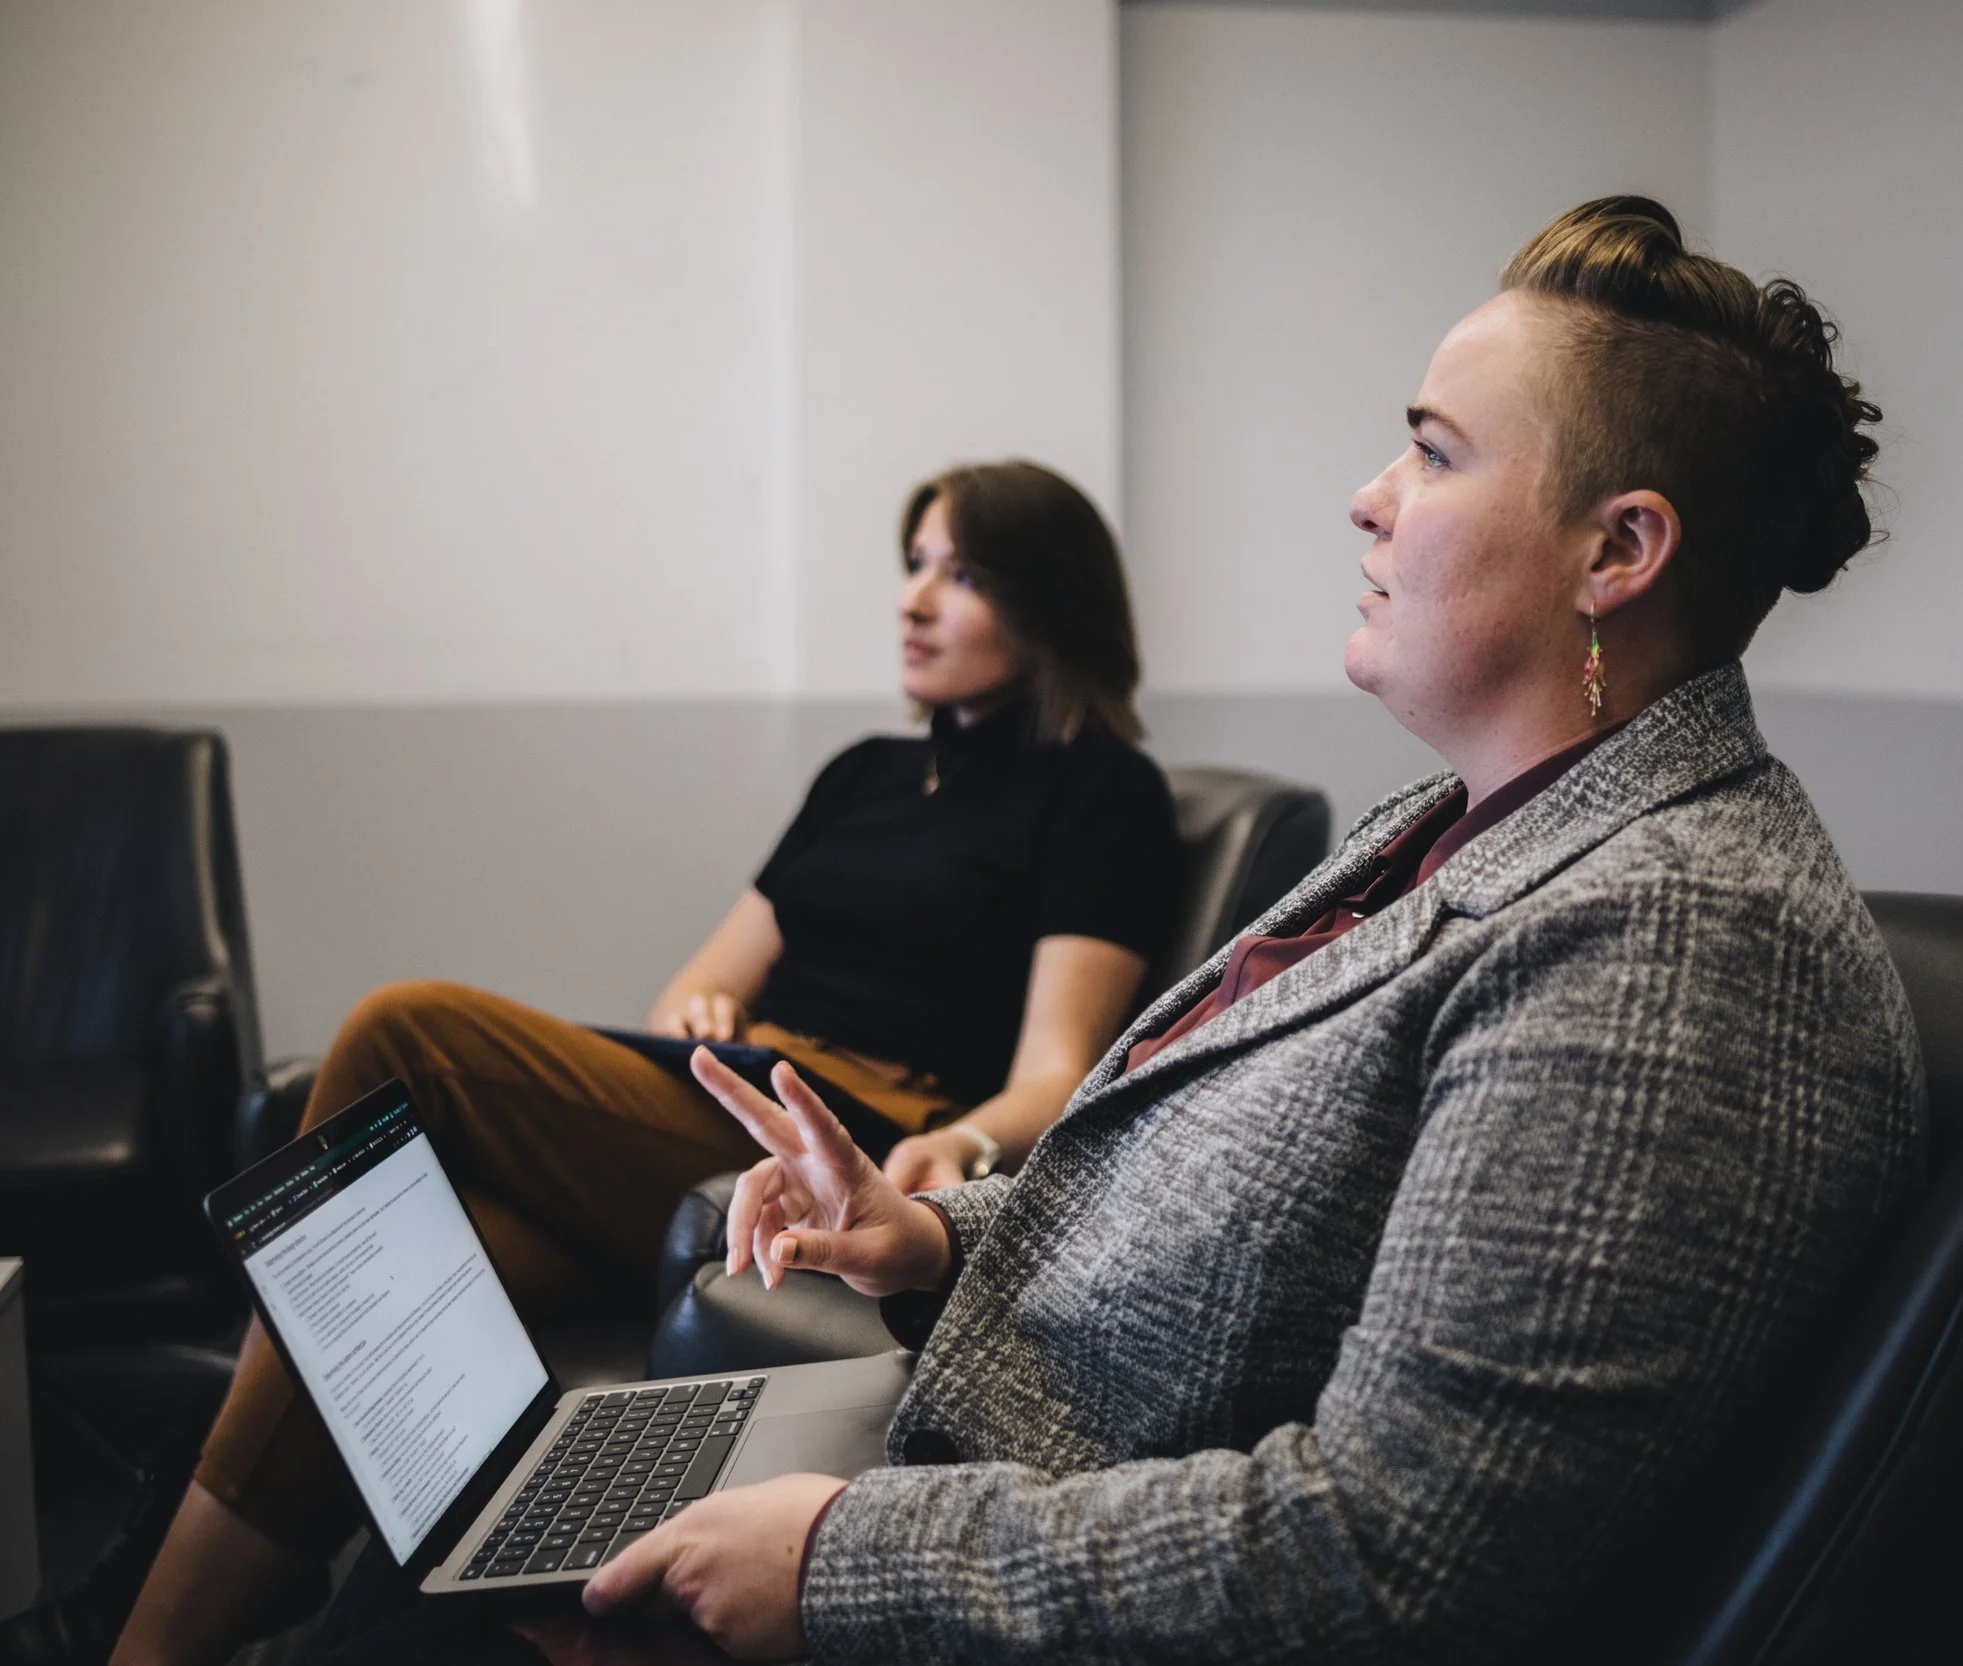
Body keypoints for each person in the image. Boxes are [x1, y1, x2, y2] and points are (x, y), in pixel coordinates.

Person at [500, 196, 1928, 1664]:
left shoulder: (1677, 945)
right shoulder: (1463, 825)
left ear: (1615, 551)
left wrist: (835, 1560)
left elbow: (1390, 1559)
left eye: (1434, 453)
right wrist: (927, 1234)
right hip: (1020, 1497)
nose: (1370, 496)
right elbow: (1254, 1228)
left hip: (1030, 1579)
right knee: (475, 1567)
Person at [66, 460, 1185, 1666]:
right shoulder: (861, 773)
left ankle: (147, 1616)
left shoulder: (1101, 791)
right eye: (913, 563)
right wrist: (700, 1000)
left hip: (835, 1130)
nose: (915, 599)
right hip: (724, 1089)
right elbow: (702, 981)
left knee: (406, 1029)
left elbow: (1055, 1068)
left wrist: (959, 1149)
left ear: (1049, 598)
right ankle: (159, 1640)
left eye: (960, 573)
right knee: (394, 1271)